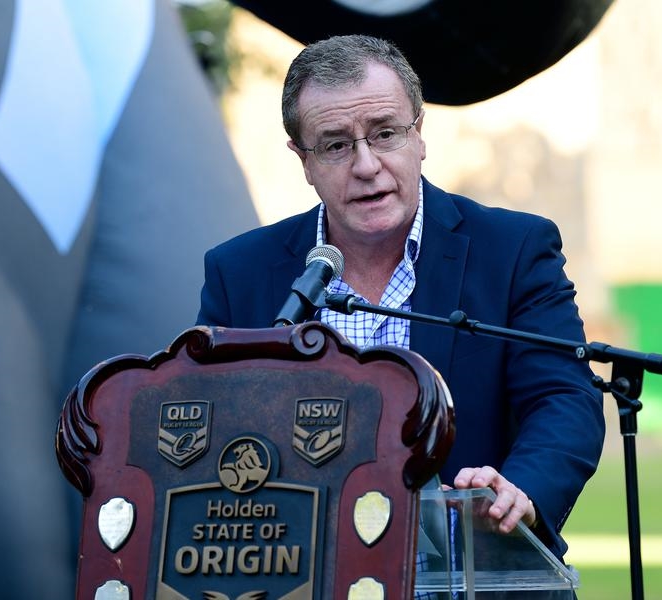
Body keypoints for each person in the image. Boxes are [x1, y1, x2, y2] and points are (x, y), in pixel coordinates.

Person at [196, 34, 605, 563]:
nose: (366, 165)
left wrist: (520, 491)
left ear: (419, 134)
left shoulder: (513, 250)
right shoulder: (240, 272)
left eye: (385, 134)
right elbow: (211, 430)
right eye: (336, 145)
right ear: (303, 160)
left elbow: (563, 398)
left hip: (473, 574)